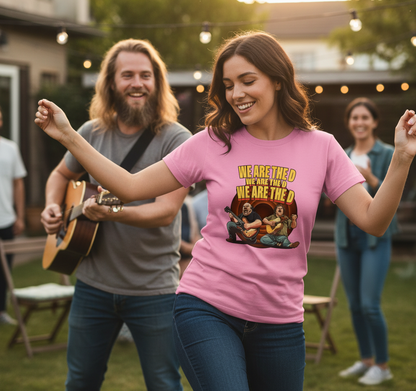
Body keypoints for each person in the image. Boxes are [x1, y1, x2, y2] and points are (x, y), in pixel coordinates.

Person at [35, 31, 416, 391]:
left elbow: (373, 221)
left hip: (281, 318)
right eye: (229, 85)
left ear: (278, 80)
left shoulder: (323, 148)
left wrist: (401, 158)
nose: (236, 94)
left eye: (248, 80)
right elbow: (131, 187)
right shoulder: (210, 143)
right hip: (206, 307)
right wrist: (69, 135)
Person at [39, 39, 191, 391]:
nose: (137, 83)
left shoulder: (176, 139)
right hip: (93, 286)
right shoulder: (91, 132)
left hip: (154, 290)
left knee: (165, 384)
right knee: (79, 382)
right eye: (127, 75)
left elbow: (165, 212)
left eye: (145, 75)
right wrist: (52, 205)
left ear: (157, 83)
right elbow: (60, 175)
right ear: (110, 83)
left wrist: (114, 215)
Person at [336, 98, 397, 385]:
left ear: (374, 122)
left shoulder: (387, 152)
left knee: (370, 304)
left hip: (375, 238)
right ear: (349, 123)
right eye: (354, 118)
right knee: (355, 306)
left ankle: (382, 366)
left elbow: (393, 195)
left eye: (364, 118)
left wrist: (371, 177)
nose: (359, 122)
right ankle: (366, 361)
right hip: (346, 236)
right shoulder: (342, 154)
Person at [0, 106, 26, 325]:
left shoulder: (10, 148)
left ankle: (1, 312)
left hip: (6, 219)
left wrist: (20, 216)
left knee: (4, 269)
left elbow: (18, 184)